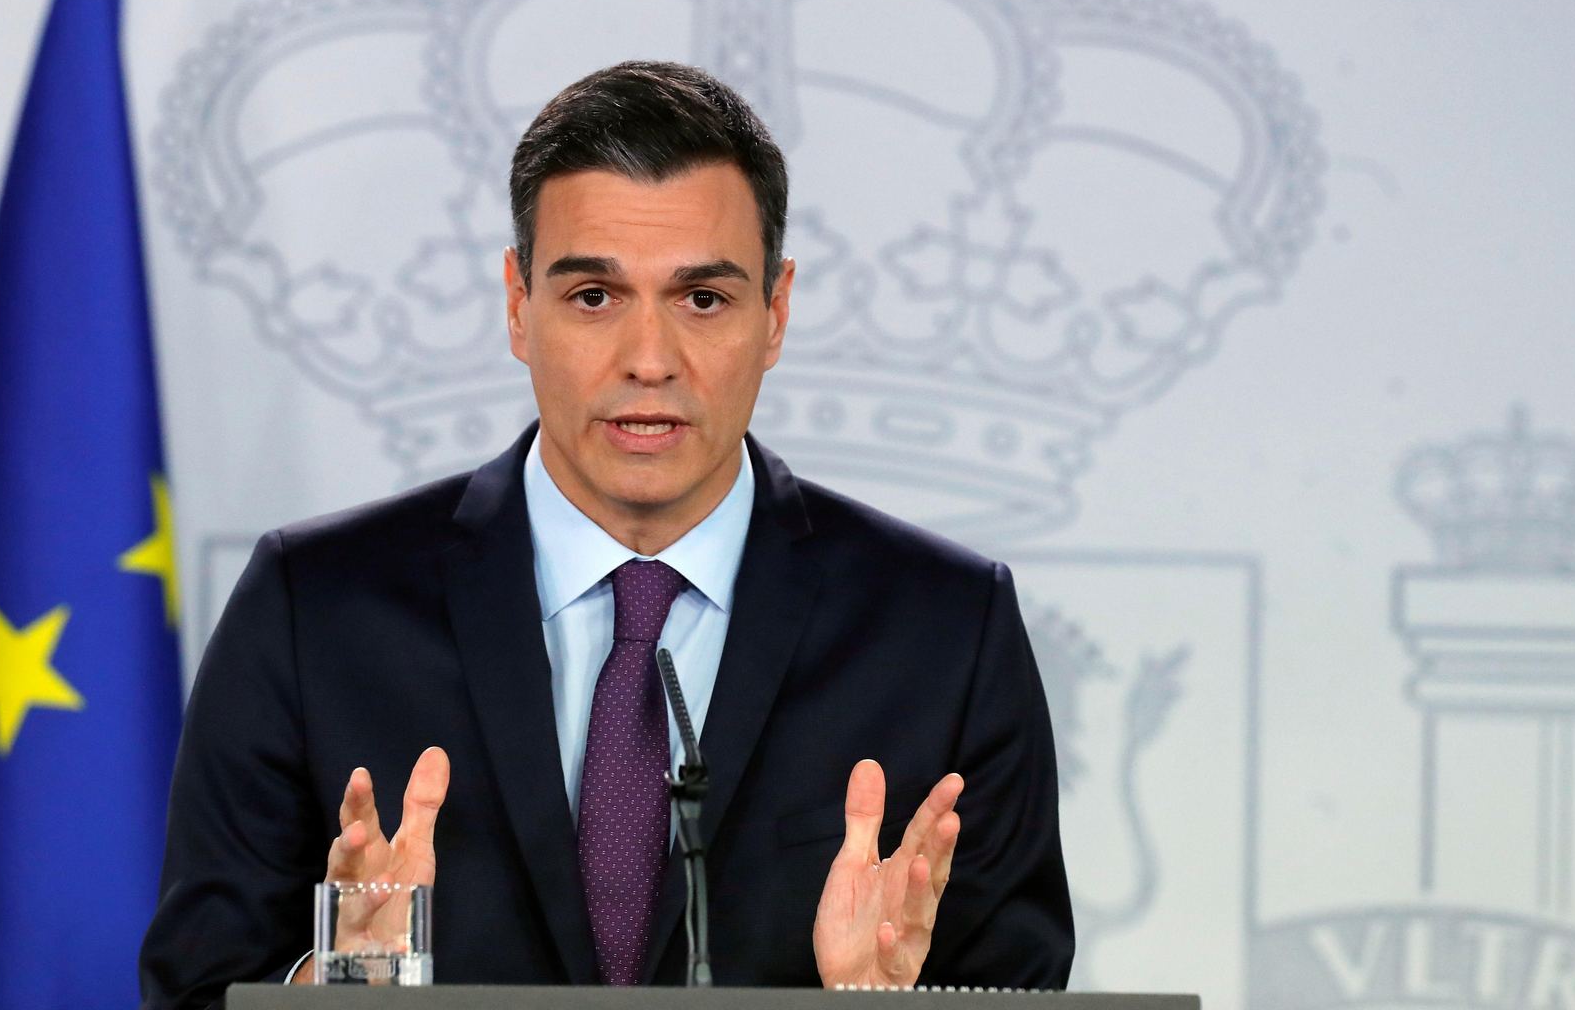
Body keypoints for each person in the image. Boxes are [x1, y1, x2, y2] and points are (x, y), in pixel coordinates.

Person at [138, 61, 1072, 1007]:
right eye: (594, 297)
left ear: (776, 312)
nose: (649, 360)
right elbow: (194, 988)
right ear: (517, 304)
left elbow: (1022, 988)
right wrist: (338, 985)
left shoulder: (944, 632)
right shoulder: (317, 609)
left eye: (702, 299)